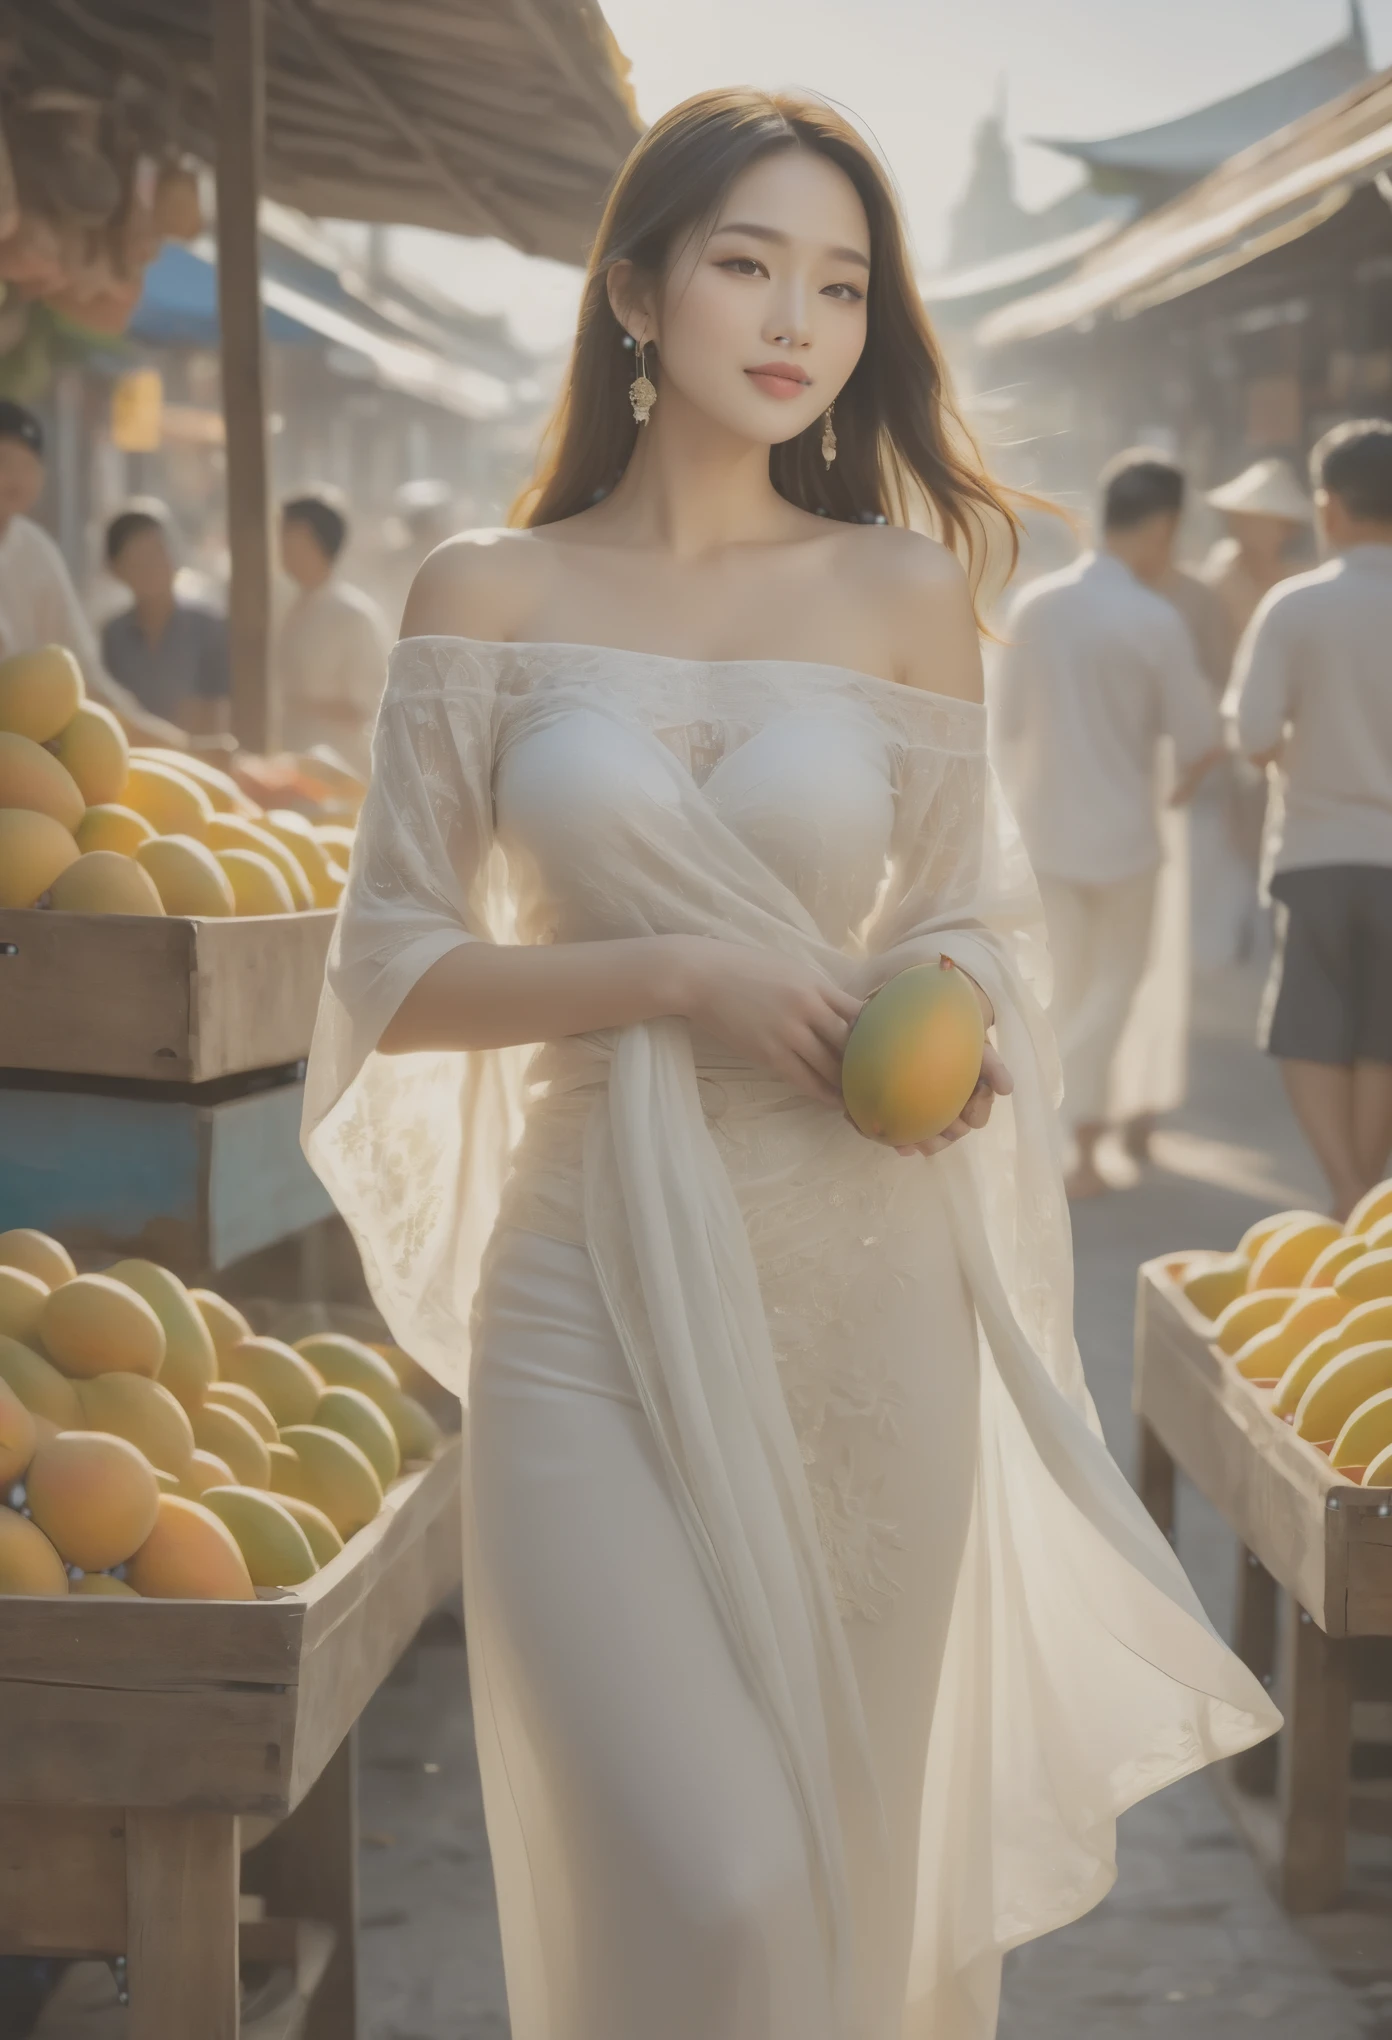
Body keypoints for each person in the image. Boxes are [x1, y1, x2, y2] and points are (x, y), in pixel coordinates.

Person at [303, 91, 1275, 2040]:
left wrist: (966, 1020)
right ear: (638, 290)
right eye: (748, 261)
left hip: (862, 1299)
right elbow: (392, 968)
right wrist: (675, 969)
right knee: (724, 1880)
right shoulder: (485, 593)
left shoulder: (904, 597)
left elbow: (969, 921)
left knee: (840, 1863)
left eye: (841, 282)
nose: (797, 317)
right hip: (583, 1286)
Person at [992, 451, 1223, 1198]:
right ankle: (1077, 1144)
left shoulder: (1037, 605)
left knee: (1062, 988)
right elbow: (1199, 741)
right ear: (1163, 526)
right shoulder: (1154, 619)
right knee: (1113, 992)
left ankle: (1047, 1131)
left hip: (1047, 833)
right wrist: (1179, 790)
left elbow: (1007, 724)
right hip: (1128, 838)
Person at [1228, 420, 1392, 1220]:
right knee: (1380, 1036)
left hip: (1316, 852)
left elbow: (1252, 739)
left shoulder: (1295, 607)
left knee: (1312, 1026)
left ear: (1328, 508)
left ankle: (1345, 1192)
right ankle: (1365, 1208)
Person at [0, 400, 185, 746]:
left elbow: (81, 672)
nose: (17, 477)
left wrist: (168, 741)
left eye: (30, 464)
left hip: (26, 751)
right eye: (4, 461)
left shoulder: (37, 550)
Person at [274, 491, 389, 778]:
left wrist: (295, 704)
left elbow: (367, 703)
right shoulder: (287, 605)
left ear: (317, 542)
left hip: (340, 767)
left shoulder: (352, 615)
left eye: (289, 537)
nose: (281, 548)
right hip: (291, 761)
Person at [101, 503, 230, 735]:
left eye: (157, 552)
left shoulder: (209, 629)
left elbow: (217, 719)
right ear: (116, 569)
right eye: (137, 558)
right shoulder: (112, 636)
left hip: (198, 760)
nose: (151, 567)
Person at [1201, 456, 1313, 642]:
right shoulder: (1220, 575)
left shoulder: (1303, 582)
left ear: (1287, 529)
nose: (1241, 527)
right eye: (1241, 519)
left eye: (1257, 522)